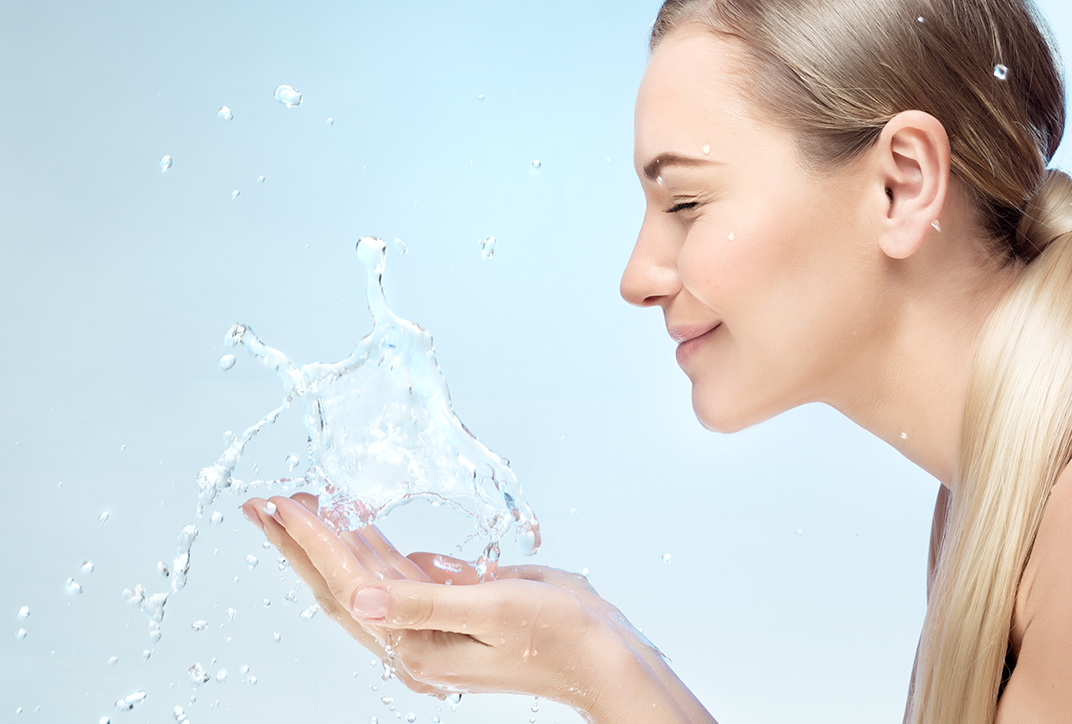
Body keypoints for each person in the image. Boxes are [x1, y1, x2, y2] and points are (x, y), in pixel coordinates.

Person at [241, 0, 1072, 721]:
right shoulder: (985, 507)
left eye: (686, 202)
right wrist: (602, 656)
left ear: (900, 183)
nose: (637, 278)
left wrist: (598, 668)